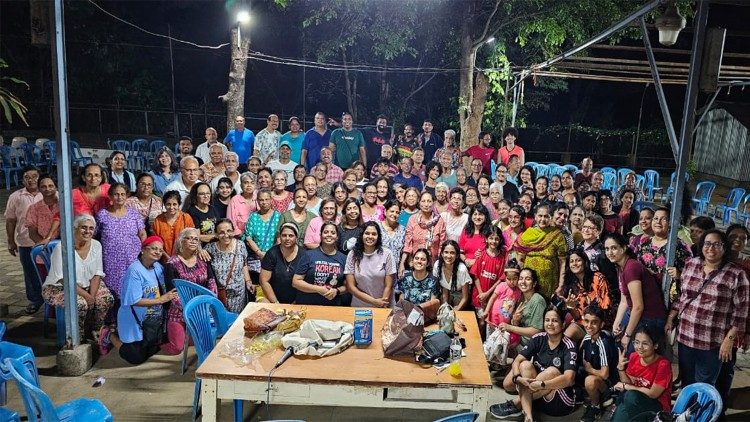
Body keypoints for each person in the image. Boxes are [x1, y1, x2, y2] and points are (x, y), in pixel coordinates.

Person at [665, 229, 749, 390]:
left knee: (704, 385)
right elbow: (684, 296)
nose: (711, 248)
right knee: (688, 382)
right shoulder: (691, 264)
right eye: (707, 243)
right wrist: (671, 317)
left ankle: (704, 415)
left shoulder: (736, 274)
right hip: (686, 338)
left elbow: (741, 312)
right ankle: (687, 414)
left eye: (717, 244)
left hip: (712, 342)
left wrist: (729, 341)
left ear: (724, 248)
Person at [490, 306, 578, 421]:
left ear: (563, 325)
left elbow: (569, 379)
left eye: (555, 321)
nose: (550, 324)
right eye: (547, 320)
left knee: (552, 371)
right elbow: (517, 360)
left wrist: (542, 384)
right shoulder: (539, 338)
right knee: (524, 365)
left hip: (559, 400)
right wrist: (518, 377)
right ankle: (528, 417)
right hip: (538, 394)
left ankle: (516, 403)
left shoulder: (568, 346)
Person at [102, 236, 178, 365]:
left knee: (154, 349)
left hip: (151, 319)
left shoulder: (157, 267)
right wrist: (161, 300)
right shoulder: (134, 271)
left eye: (160, 250)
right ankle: (108, 334)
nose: (158, 252)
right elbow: (133, 300)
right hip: (133, 318)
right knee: (135, 358)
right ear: (143, 250)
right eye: (154, 248)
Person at [42, 215, 114, 338]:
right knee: (80, 304)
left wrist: (92, 296)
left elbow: (97, 273)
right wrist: (87, 296)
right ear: (75, 229)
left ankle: (96, 331)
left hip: (87, 284)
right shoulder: (62, 248)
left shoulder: (96, 245)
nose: (88, 231)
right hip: (58, 287)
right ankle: (77, 337)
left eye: (91, 228)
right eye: (83, 228)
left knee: (105, 299)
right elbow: (64, 279)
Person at [605, 233, 666, 352]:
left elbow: (638, 306)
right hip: (638, 315)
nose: (609, 252)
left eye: (614, 248)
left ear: (623, 248)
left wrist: (627, 335)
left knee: (628, 351)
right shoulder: (621, 267)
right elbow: (624, 301)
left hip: (650, 319)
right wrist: (616, 324)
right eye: (607, 249)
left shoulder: (631, 268)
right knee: (616, 342)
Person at [163, 228, 218, 355]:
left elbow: (211, 283)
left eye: (196, 239)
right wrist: (190, 309)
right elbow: (173, 293)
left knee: (207, 342)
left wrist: (208, 303)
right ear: (181, 241)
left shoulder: (203, 258)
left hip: (202, 308)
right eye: (189, 238)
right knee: (177, 348)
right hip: (179, 310)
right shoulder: (172, 264)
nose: (193, 241)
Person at [611, 325, 672, 421]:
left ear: (655, 345)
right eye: (637, 342)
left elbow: (653, 394)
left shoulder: (663, 364)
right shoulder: (633, 356)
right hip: (634, 401)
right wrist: (621, 368)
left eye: (645, 343)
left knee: (629, 396)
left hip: (657, 406)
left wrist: (626, 387)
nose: (640, 347)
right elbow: (628, 382)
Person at [96, 183, 147, 297]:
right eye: (116, 194)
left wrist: (143, 251)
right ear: (110, 196)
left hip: (132, 257)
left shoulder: (133, 213)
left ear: (127, 196)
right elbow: (95, 234)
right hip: (111, 259)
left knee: (132, 286)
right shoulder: (102, 214)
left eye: (123, 194)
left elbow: (142, 233)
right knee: (113, 290)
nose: (120, 197)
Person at [633, 206, 692, 304]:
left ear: (671, 223)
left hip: (667, 300)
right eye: (655, 218)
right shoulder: (643, 245)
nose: (658, 222)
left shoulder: (680, 246)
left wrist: (679, 275)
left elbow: (691, 275)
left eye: (664, 219)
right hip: (644, 297)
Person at [5, 166, 43, 313]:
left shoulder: (50, 193)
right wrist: (10, 240)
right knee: (30, 272)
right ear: (22, 179)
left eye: (34, 176)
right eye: (27, 177)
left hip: (47, 242)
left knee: (49, 271)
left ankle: (52, 302)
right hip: (26, 242)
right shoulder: (16, 196)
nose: (31, 179)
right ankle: (34, 300)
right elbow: (10, 220)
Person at [514, 204, 567, 298]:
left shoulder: (557, 235)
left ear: (551, 217)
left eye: (546, 216)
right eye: (540, 216)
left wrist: (561, 284)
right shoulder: (527, 234)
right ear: (535, 216)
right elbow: (520, 260)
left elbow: (562, 262)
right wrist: (522, 281)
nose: (543, 219)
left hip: (550, 284)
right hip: (528, 283)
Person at [578, 304, 620, 422]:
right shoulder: (587, 337)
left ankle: (596, 405)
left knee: (589, 381)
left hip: (609, 382)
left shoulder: (603, 342)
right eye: (586, 321)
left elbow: (605, 374)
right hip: (595, 374)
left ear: (601, 324)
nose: (589, 326)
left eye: (594, 322)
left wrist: (589, 369)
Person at [559, 249, 612, 341]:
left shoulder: (598, 278)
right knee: (565, 340)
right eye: (571, 261)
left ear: (585, 262)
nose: (574, 263)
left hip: (600, 323)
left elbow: (605, 307)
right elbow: (577, 317)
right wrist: (570, 307)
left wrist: (591, 324)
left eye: (578, 260)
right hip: (583, 323)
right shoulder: (571, 286)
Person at [294, 221, 348, 306]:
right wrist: (318, 289)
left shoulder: (344, 259)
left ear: (337, 237)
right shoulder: (308, 255)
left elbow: (348, 286)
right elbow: (296, 282)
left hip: (332, 306)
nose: (329, 235)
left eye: (333, 233)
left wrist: (337, 291)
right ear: (321, 235)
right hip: (307, 306)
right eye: (326, 232)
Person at [345, 222, 396, 308]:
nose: (370, 236)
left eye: (374, 234)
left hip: (384, 304)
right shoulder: (352, 254)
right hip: (359, 306)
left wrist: (382, 304)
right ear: (362, 235)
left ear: (378, 236)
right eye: (367, 233)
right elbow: (350, 287)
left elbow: (389, 285)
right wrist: (374, 302)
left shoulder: (387, 254)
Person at [204, 219, 251, 313]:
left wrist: (248, 281)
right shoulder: (210, 248)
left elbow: (244, 264)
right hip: (219, 293)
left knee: (237, 320)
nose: (226, 235)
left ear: (233, 232)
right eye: (221, 232)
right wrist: (200, 251)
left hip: (239, 293)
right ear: (216, 235)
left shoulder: (240, 245)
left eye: (229, 231)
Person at [243, 189, 281, 290]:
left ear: (271, 200)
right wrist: (259, 253)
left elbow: (279, 238)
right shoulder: (253, 217)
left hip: (273, 258)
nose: (264, 202)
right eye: (261, 200)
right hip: (256, 260)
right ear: (257, 201)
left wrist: (269, 255)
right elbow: (248, 237)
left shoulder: (278, 216)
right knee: (257, 290)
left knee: (272, 286)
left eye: (266, 199)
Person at [401, 191, 447, 274]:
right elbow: (408, 243)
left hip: (433, 266)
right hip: (415, 264)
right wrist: (402, 263)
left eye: (429, 201)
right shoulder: (412, 219)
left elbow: (442, 246)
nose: (426, 204)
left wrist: (440, 265)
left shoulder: (439, 221)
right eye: (423, 201)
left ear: (433, 203)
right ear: (419, 203)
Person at [470, 227, 506, 317]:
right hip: (479, 295)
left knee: (489, 319)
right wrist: (481, 294)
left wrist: (487, 294)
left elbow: (500, 279)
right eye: (491, 238)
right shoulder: (481, 254)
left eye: (496, 239)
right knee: (481, 321)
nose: (493, 241)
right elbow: (476, 275)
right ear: (486, 239)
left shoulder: (502, 257)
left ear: (500, 240)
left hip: (492, 295)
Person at [483, 259, 522, 340]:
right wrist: (486, 311)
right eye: (509, 279)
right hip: (493, 320)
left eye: (514, 279)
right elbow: (492, 298)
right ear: (505, 278)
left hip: (505, 322)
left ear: (519, 278)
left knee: (500, 341)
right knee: (490, 340)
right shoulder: (502, 285)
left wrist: (514, 316)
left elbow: (516, 305)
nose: (511, 282)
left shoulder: (519, 291)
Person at [151, 190, 194, 261]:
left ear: (179, 204)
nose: (171, 207)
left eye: (174, 204)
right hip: (163, 259)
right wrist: (168, 258)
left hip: (184, 258)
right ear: (164, 205)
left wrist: (180, 258)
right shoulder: (158, 220)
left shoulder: (186, 218)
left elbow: (191, 239)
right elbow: (157, 242)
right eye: (168, 204)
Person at [434, 240, 472, 310]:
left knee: (455, 314)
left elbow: (465, 297)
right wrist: (445, 307)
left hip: (460, 293)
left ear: (457, 255)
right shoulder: (437, 265)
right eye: (446, 252)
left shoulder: (462, 269)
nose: (449, 256)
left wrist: (455, 311)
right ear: (442, 253)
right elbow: (445, 286)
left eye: (452, 253)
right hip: (445, 291)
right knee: (443, 311)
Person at [25, 175, 60, 248]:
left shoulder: (64, 205)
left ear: (56, 187)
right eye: (43, 187)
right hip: (44, 250)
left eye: (50, 186)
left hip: (65, 249)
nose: (47, 189)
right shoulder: (33, 208)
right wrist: (48, 247)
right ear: (39, 189)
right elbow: (32, 234)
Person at [459, 204, 491, 269]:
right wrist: (466, 260)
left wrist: (475, 261)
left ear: (485, 217)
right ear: (471, 216)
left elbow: (493, 253)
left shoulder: (490, 232)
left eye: (480, 214)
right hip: (465, 266)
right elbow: (460, 252)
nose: (477, 217)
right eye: (475, 214)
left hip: (483, 267)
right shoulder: (466, 230)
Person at [379, 200, 406, 272]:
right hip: (378, 270)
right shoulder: (377, 227)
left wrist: (402, 265)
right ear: (385, 212)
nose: (394, 214)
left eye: (397, 212)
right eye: (392, 211)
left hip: (396, 271)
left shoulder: (403, 229)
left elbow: (405, 249)